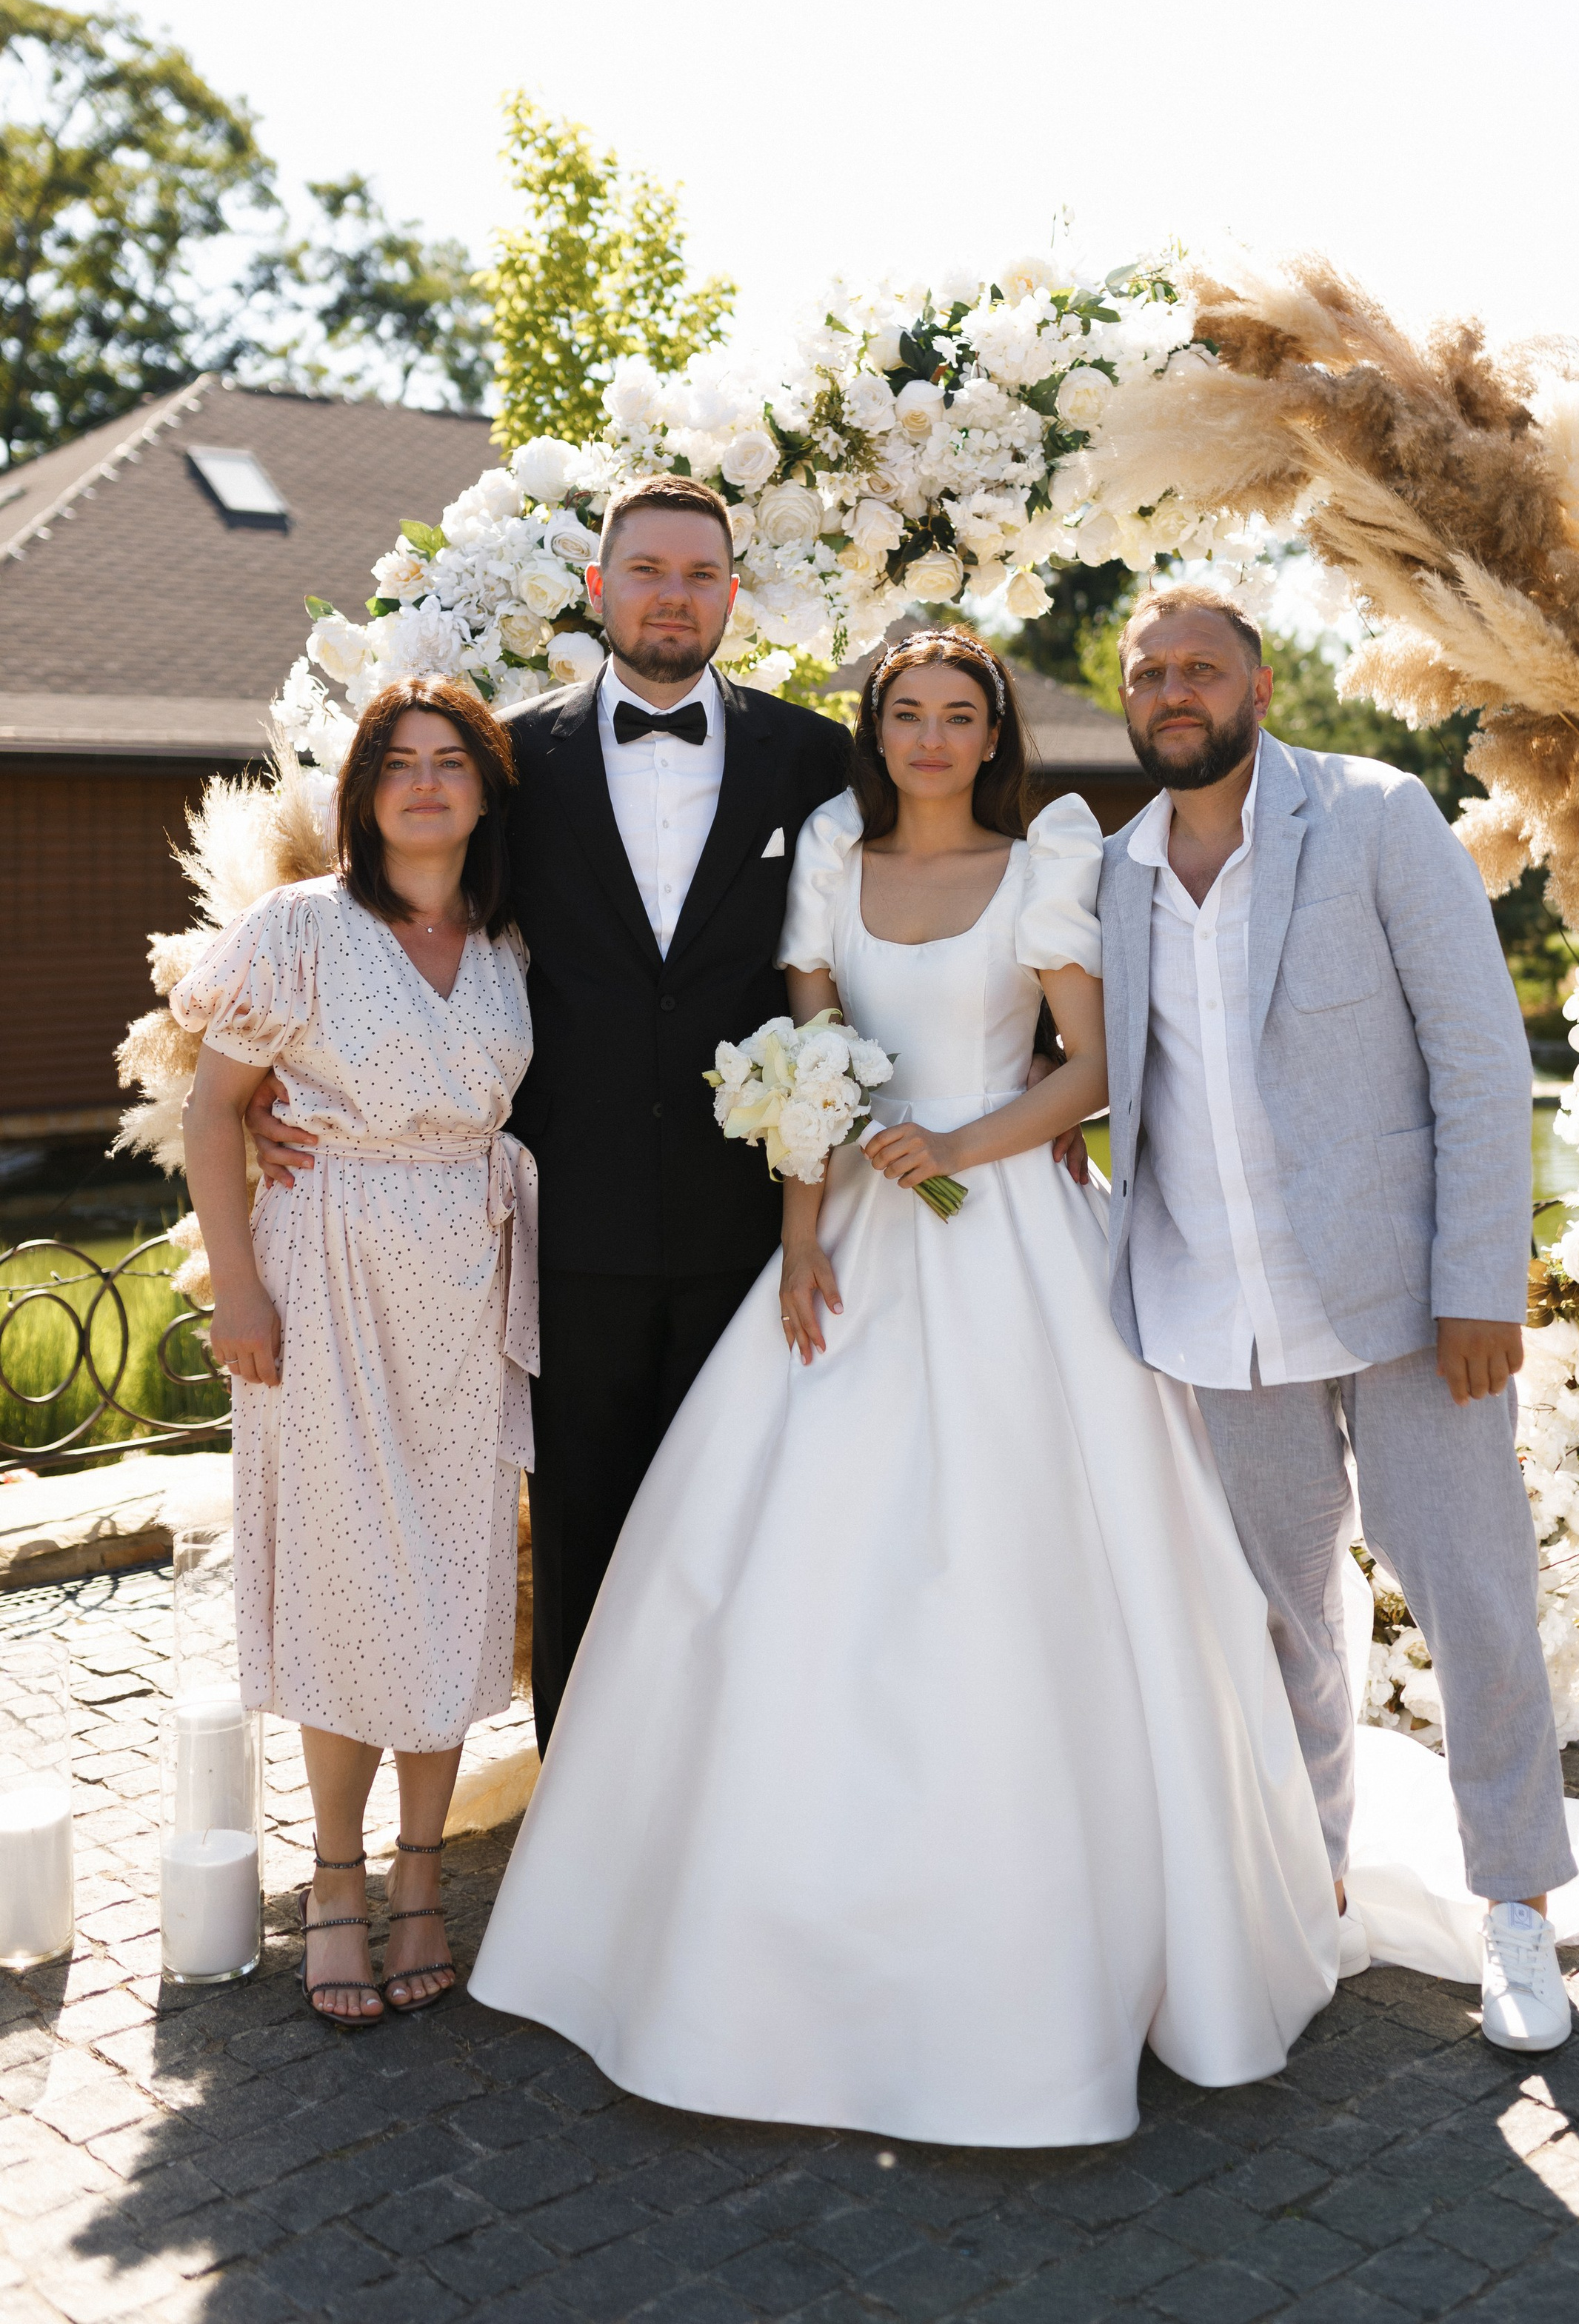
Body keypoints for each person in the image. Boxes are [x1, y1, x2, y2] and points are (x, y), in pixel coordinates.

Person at [467, 630, 1343, 2146]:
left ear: (992, 732)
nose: (931, 737)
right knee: (786, 1567)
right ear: (872, 731)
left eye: (958, 715)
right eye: (906, 714)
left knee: (1025, 1562)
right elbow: (812, 1073)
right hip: (864, 1235)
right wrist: (803, 1242)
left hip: (1004, 1232)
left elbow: (1093, 1068)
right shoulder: (825, 856)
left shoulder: (1041, 862)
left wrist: (964, 1144)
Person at [251, 475, 852, 1749]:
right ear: (600, 589)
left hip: (754, 1228)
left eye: (700, 575)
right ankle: (576, 1809)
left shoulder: (815, 758)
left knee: (751, 1514)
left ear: (732, 595)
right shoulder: (514, 760)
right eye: (648, 571)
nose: (673, 597)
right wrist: (272, 1099)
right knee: (579, 1522)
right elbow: (404, 923)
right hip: (557, 1228)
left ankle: (728, 1795)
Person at [1097, 580, 1577, 2049]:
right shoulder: (1109, 868)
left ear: (1254, 681)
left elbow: (1479, 1061)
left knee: (1469, 1600)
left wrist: (1475, 1283)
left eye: (1199, 667)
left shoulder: (1369, 814)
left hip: (1398, 1302)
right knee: (1277, 1624)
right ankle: (1310, 1884)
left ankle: (1513, 1909)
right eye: (1147, 673)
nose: (1173, 690)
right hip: (1205, 1310)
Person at [178, 677, 535, 2027]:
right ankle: (334, 1881)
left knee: (452, 1575)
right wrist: (239, 1293)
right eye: (402, 762)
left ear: (487, 792)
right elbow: (218, 1113)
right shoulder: (301, 930)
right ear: (365, 789)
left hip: (466, 1282)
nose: (428, 783)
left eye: (455, 762)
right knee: (346, 1573)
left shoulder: (508, 943)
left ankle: (423, 1877)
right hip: (321, 1282)